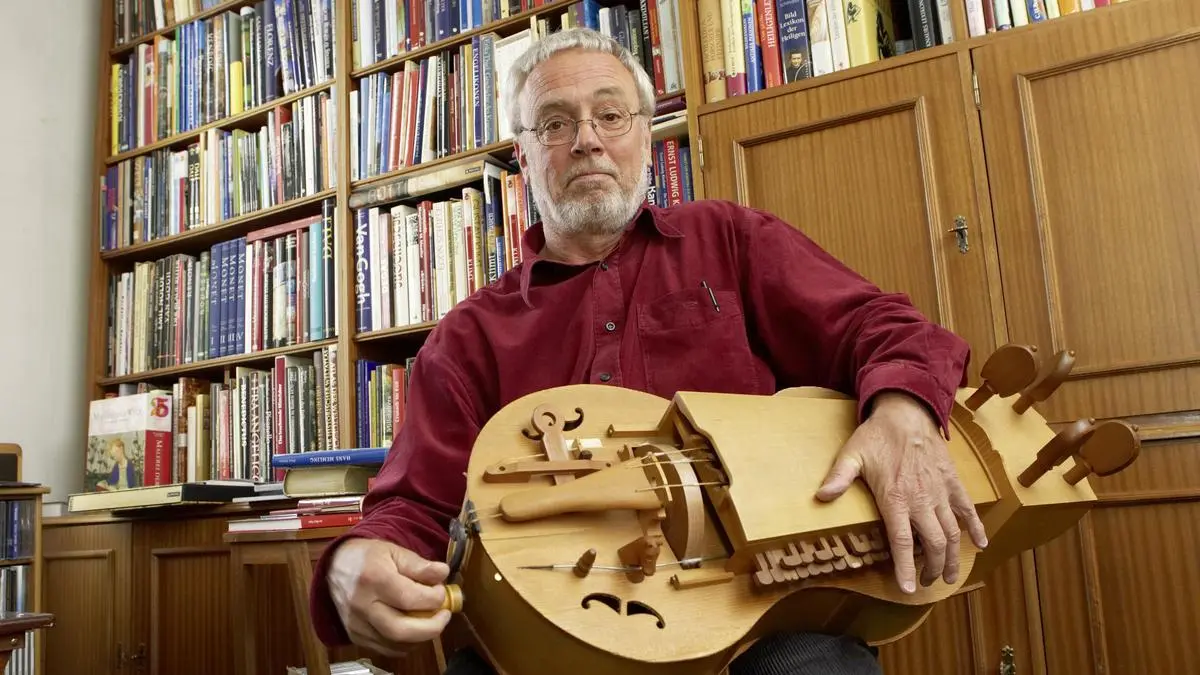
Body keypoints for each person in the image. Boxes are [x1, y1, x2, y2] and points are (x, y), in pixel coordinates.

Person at [309, 27, 988, 675]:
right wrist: (353, 562)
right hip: (557, 639)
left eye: (611, 116)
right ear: (524, 156)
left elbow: (882, 326)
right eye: (555, 123)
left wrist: (903, 412)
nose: (587, 141)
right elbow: (416, 508)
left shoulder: (729, 239)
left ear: (645, 134)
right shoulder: (467, 337)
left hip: (762, 618)